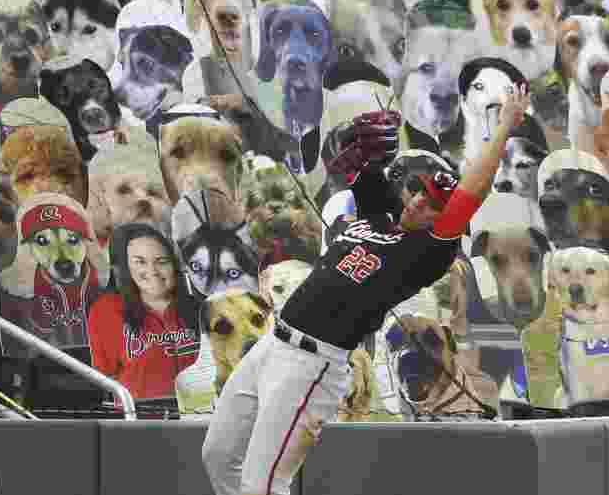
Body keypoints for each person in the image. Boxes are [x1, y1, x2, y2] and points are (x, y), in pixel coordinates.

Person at [202, 85, 530, 495]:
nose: (418, 205)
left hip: (312, 367)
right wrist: (369, 142)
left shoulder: (426, 253)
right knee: (218, 456)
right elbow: (360, 159)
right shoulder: (383, 215)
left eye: (433, 206)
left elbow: (473, 191)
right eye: (421, 194)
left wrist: (502, 129)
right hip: (272, 345)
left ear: (446, 222)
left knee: (264, 484)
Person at [87, 223, 200, 403]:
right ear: (122, 269)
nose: (153, 271)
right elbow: (106, 377)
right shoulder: (106, 311)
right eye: (140, 262)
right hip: (142, 420)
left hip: (201, 414)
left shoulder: (199, 306)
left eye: (162, 261)